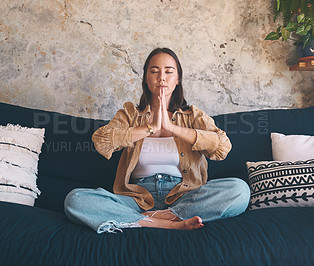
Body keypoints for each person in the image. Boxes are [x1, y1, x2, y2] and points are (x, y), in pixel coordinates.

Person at [64, 48, 250, 233]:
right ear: (146, 78)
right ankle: (163, 222)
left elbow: (222, 146)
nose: (162, 77)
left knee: (240, 190)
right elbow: (102, 142)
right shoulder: (130, 114)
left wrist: (172, 128)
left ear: (178, 79)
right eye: (154, 71)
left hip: (184, 196)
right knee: (76, 199)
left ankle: (162, 216)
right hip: (137, 199)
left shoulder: (193, 115)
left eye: (169, 72)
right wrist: (150, 127)